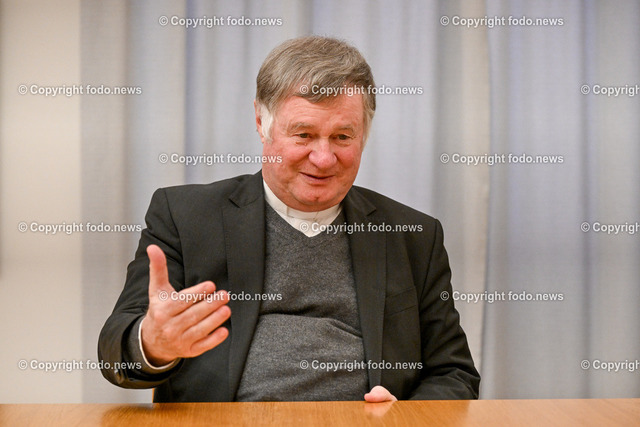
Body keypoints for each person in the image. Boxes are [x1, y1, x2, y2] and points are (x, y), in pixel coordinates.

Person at [98, 35, 480, 402]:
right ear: (261, 122)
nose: (324, 158)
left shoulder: (413, 235)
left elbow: (454, 373)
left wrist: (406, 417)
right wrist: (153, 343)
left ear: (364, 134)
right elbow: (116, 356)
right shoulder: (184, 216)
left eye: (343, 137)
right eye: (304, 135)